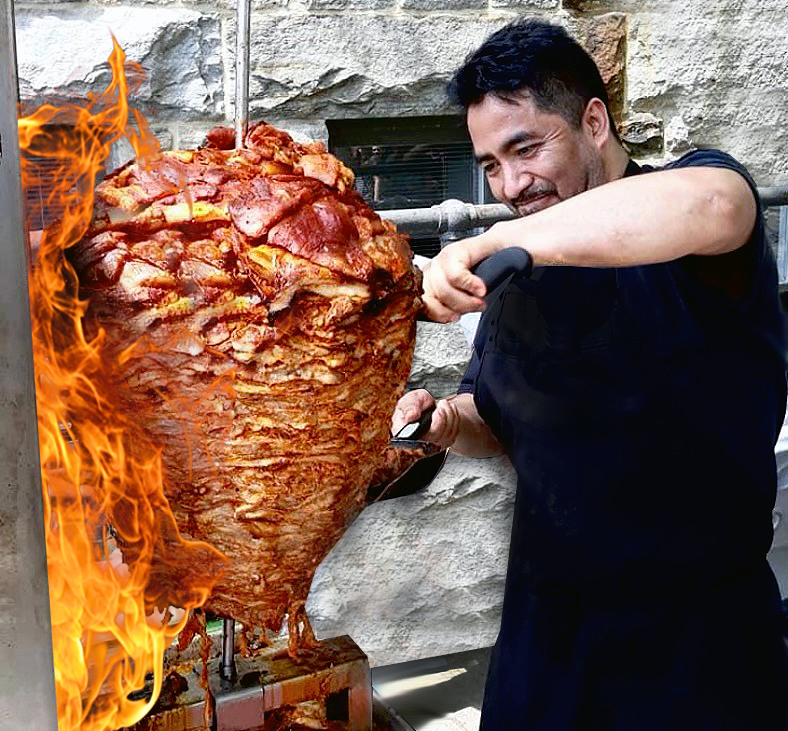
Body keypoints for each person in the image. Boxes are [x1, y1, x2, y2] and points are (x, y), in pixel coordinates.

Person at [392, 18, 788, 731]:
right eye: (490, 164)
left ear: (594, 122)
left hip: (698, 648)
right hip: (547, 637)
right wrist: (448, 424)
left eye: (526, 148)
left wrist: (503, 238)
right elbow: (498, 420)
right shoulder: (515, 275)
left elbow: (719, 203)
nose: (510, 184)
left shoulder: (686, 209)